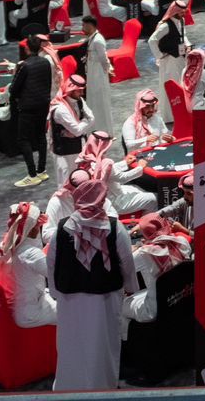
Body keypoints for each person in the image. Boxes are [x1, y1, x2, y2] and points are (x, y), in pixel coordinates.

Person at [49, 166, 136, 390]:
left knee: (72, 342)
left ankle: (70, 386)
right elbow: (127, 261)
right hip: (105, 298)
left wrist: (56, 293)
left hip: (69, 300)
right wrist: (131, 287)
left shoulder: (63, 227)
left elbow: (52, 263)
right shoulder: (115, 228)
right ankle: (102, 387)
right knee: (102, 342)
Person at [123, 212, 192, 326]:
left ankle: (127, 337)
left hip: (154, 310)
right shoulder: (182, 241)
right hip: (180, 298)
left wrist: (135, 249)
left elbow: (122, 267)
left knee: (121, 304)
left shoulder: (143, 253)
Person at [0, 201, 57, 327]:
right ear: (30, 227)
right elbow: (58, 275)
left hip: (22, 306)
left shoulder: (8, 245)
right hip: (31, 313)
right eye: (36, 225)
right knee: (74, 311)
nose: (39, 227)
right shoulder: (30, 253)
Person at [10, 32, 57, 187]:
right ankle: (41, 170)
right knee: (41, 136)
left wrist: (16, 98)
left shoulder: (24, 65)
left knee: (23, 139)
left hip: (28, 106)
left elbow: (14, 88)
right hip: (43, 103)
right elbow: (48, 83)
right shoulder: (45, 62)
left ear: (27, 48)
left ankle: (32, 174)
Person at [48, 74, 95, 185]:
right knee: (66, 183)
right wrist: (85, 121)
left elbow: (92, 118)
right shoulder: (60, 109)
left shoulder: (79, 100)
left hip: (79, 147)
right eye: (79, 91)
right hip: (65, 153)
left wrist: (81, 124)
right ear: (71, 90)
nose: (82, 93)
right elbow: (77, 131)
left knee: (81, 179)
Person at [149, 1, 189, 123]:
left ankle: (181, 112)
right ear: (174, 11)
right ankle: (170, 116)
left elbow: (183, 36)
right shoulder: (165, 26)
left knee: (180, 85)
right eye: (181, 12)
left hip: (180, 59)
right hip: (169, 61)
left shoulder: (181, 21)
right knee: (171, 86)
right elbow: (152, 40)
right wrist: (159, 56)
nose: (183, 14)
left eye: (184, 12)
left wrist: (187, 45)